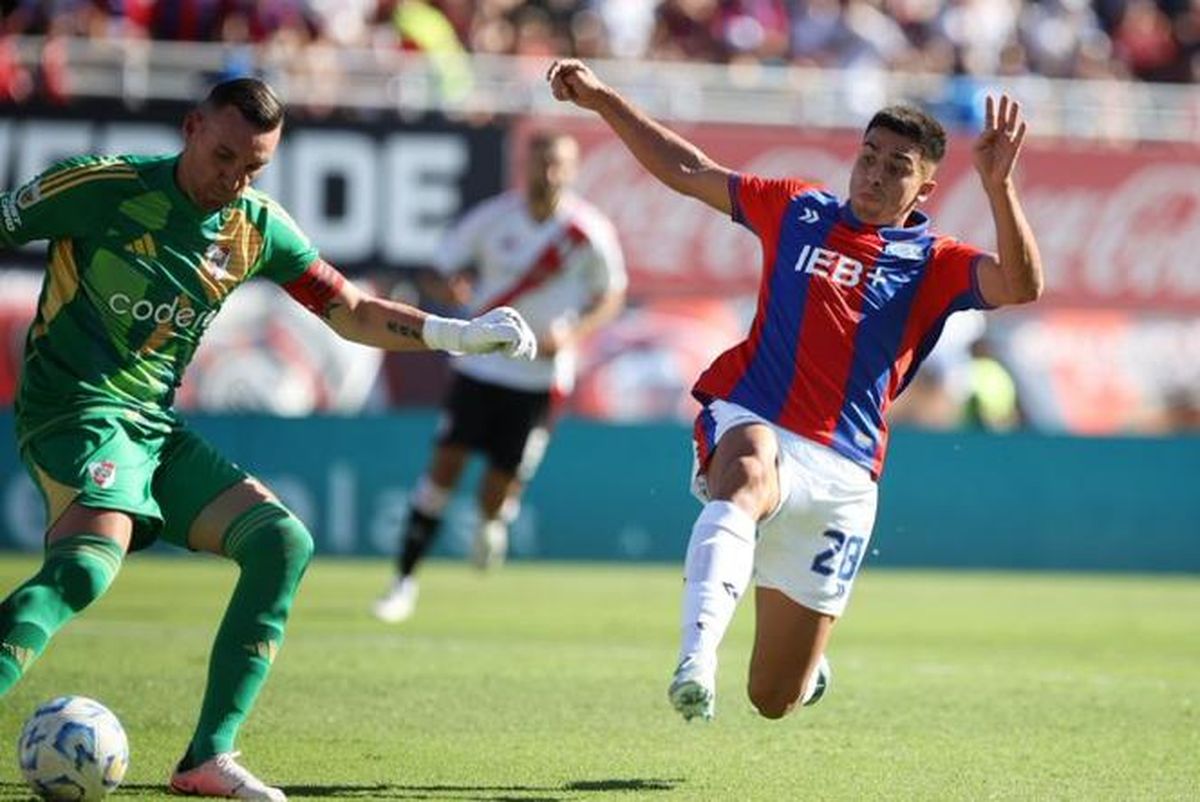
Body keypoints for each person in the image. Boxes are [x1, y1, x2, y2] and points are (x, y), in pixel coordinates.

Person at [0, 77, 536, 800]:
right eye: (223, 157)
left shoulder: (254, 227)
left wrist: (458, 334)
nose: (234, 179)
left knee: (281, 543)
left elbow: (350, 310)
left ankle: (207, 758)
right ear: (191, 128)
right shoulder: (102, 186)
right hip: (73, 409)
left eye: (253, 167)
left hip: (152, 425)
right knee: (86, 568)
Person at [547, 59, 1043, 721]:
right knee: (746, 473)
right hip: (756, 413)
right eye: (869, 156)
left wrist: (999, 187)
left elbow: (1021, 286)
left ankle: (804, 672)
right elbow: (689, 170)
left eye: (897, 167)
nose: (874, 173)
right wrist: (603, 99)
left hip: (844, 473)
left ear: (924, 188)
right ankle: (695, 661)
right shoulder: (797, 208)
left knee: (773, 698)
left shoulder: (935, 262)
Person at [372, 131, 626, 623]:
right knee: (443, 469)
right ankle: (402, 582)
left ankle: (494, 521)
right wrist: (447, 288)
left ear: (572, 170)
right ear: (525, 165)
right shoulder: (493, 218)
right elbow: (437, 270)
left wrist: (573, 334)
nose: (547, 173)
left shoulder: (587, 231)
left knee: (495, 491)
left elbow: (611, 295)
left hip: (538, 379)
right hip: (480, 368)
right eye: (540, 162)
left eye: (557, 164)